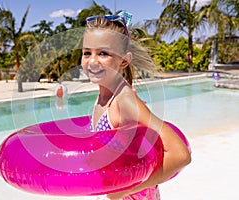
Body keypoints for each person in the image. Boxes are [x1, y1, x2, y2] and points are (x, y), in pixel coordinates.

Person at [81, 11, 191, 200]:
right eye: (86, 53)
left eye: (103, 53)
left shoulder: (123, 101)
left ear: (124, 60)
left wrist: (127, 189)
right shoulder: (103, 97)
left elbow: (180, 154)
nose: (92, 61)